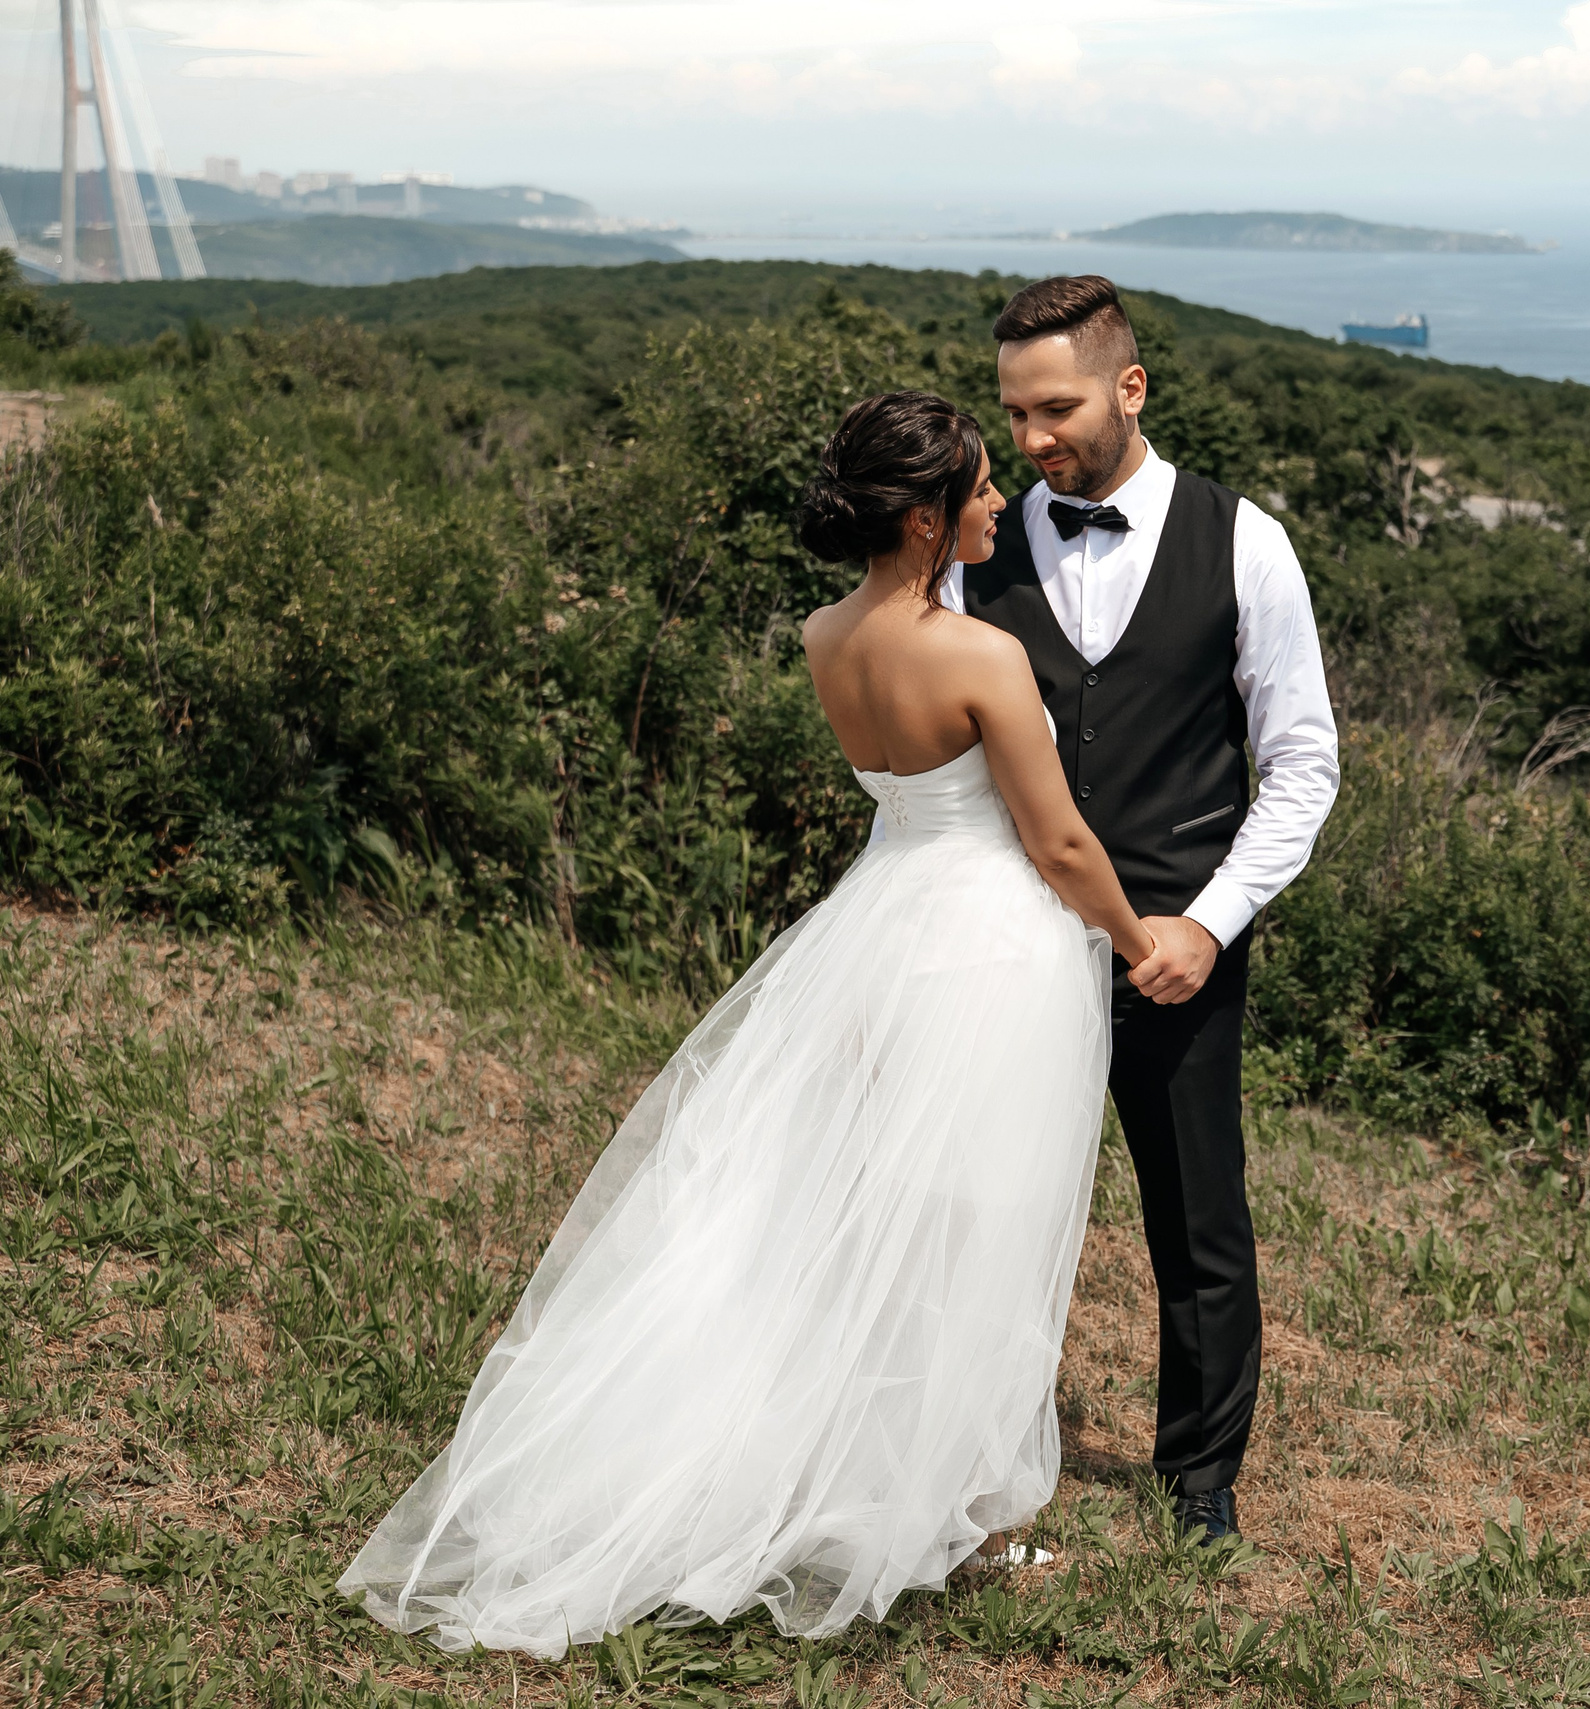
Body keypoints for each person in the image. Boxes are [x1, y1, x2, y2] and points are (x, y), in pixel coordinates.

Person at [339, 391, 1162, 1657]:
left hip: (877, 925)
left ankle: (888, 1470)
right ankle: (932, 1498)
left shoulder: (824, 632)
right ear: (932, 519)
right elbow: (1053, 838)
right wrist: (1138, 933)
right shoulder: (980, 654)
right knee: (973, 1225)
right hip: (983, 943)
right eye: (987, 490)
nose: (1006, 504)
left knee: (861, 1210)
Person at [952, 276, 1340, 1545]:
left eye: (1053, 407)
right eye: (1011, 413)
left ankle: (1200, 1480)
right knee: (989, 1204)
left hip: (1176, 938)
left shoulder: (1245, 541)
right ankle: (972, 1451)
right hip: (1013, 936)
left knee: (1197, 1219)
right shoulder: (980, 545)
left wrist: (1210, 922)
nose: (1028, 441)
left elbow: (1302, 763)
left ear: (1128, 387)